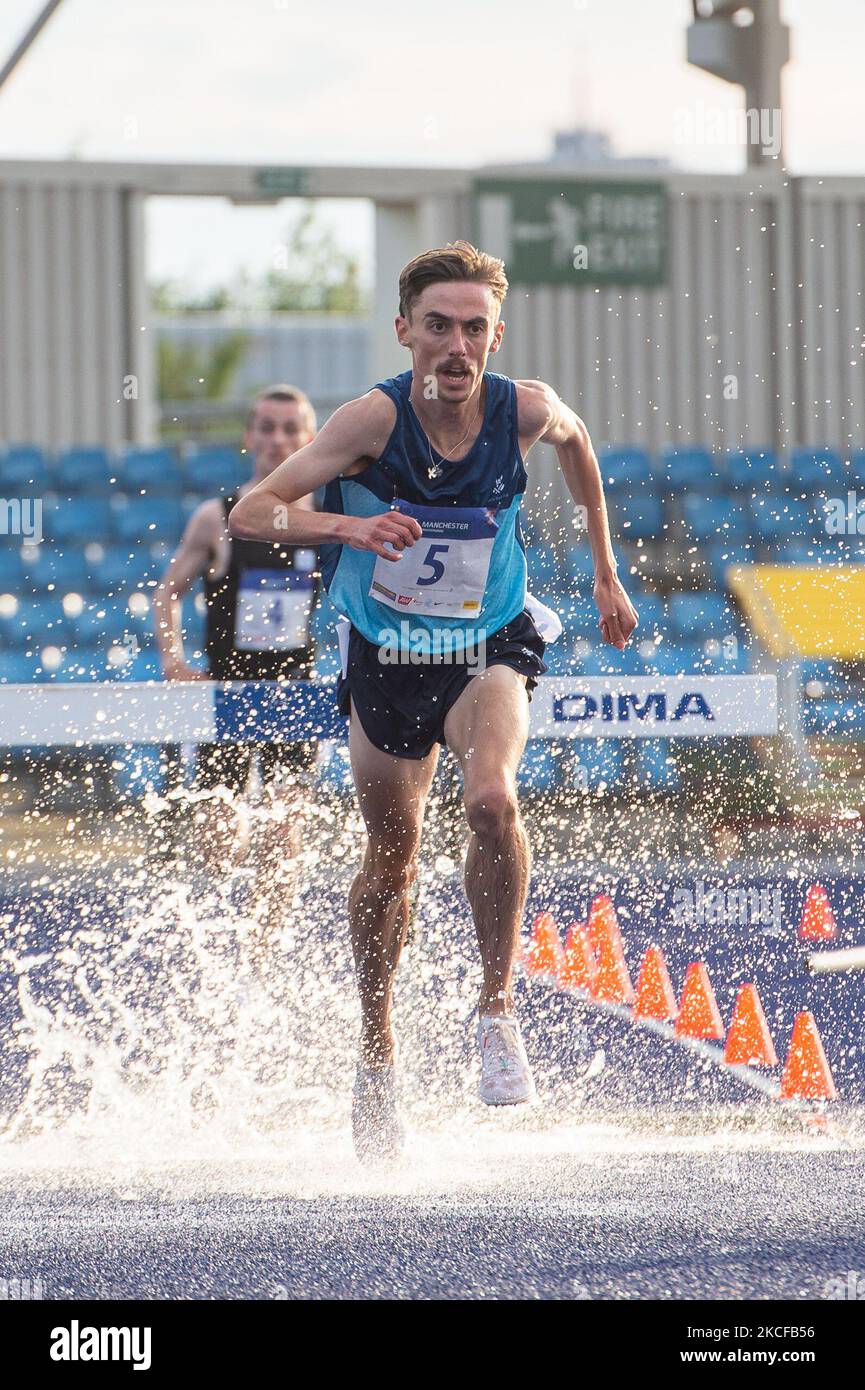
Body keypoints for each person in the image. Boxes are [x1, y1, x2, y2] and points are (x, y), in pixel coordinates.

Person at [229, 243, 637, 1160]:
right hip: (388, 651)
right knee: (392, 858)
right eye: (440, 327)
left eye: (475, 328)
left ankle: (495, 1011)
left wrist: (606, 575)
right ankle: (376, 1054)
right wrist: (351, 526)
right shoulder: (368, 420)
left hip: (487, 640)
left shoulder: (522, 407)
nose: (458, 347)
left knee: (492, 799)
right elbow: (253, 512)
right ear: (406, 329)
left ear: (497, 333)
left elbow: (580, 451)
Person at [153, 385, 319, 944]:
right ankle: (222, 931)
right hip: (226, 696)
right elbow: (168, 592)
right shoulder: (216, 518)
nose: (278, 440)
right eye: (267, 428)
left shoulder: (324, 518)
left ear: (310, 439)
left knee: (284, 827)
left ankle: (262, 947)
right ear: (249, 437)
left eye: (290, 429)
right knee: (220, 846)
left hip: (293, 695)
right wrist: (174, 663)